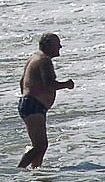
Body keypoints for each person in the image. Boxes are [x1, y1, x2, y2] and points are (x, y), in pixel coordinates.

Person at [18, 32, 75, 169]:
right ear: (48, 45)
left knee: (40, 146)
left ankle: (36, 172)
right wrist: (66, 84)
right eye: (57, 44)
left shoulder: (34, 58)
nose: (60, 47)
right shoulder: (44, 60)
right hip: (33, 105)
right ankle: (19, 171)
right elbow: (49, 84)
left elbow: (22, 82)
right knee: (40, 145)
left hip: (30, 104)